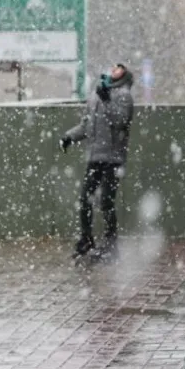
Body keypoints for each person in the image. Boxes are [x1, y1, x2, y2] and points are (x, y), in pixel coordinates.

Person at [61, 64, 135, 261]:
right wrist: (69, 136)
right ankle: (86, 240)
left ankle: (111, 246)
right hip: (95, 157)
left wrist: (107, 100)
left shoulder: (124, 94)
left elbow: (120, 121)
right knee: (85, 199)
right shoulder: (98, 92)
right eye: (114, 66)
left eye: (119, 68)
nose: (114, 69)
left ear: (124, 74)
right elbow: (87, 124)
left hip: (113, 158)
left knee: (106, 202)